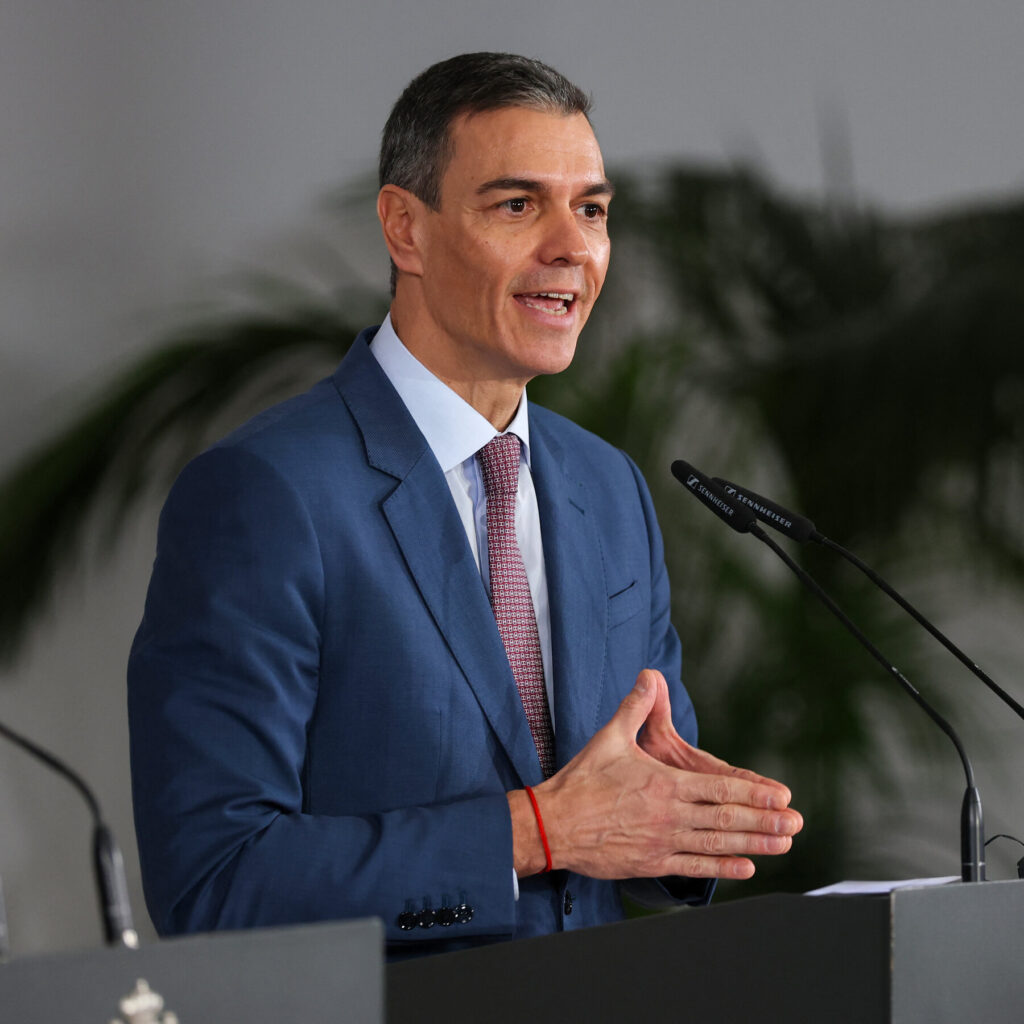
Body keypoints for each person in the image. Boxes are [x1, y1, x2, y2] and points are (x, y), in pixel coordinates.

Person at [128, 51, 802, 958]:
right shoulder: (267, 494)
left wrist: (687, 826)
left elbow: (612, 830)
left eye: (592, 210)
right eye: (518, 205)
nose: (571, 247)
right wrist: (533, 833)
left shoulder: (608, 487)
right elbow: (213, 885)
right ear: (405, 229)